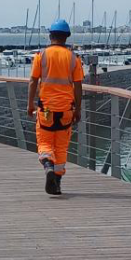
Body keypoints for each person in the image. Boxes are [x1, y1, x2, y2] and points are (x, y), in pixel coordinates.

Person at [26, 19, 83, 196]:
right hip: (66, 110)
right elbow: (78, 86)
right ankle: (57, 183)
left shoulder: (40, 56)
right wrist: (78, 109)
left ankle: (48, 166)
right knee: (61, 147)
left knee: (45, 143)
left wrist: (30, 104)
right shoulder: (74, 58)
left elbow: (33, 81)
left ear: (50, 36)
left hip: (47, 110)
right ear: (66, 37)